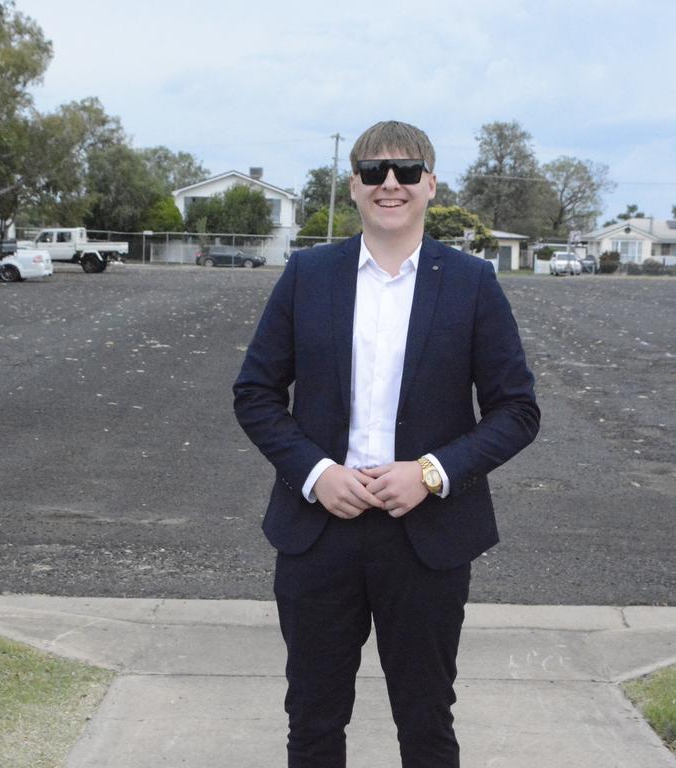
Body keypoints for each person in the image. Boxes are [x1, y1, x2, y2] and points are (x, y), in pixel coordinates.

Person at [233, 120, 540, 767]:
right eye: (375, 172)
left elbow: (516, 410)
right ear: (354, 186)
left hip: (425, 540)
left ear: (431, 183)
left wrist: (430, 472)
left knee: (426, 725)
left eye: (405, 171)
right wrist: (316, 472)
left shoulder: (472, 282)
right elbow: (255, 392)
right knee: (312, 724)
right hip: (319, 534)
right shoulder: (306, 275)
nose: (390, 183)